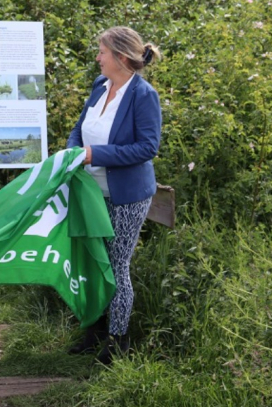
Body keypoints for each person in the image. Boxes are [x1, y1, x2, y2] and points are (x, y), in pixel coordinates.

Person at [66, 26, 162, 365]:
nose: (97, 58)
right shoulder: (100, 85)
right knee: (94, 259)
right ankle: (94, 332)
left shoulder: (142, 95)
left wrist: (95, 155)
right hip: (91, 191)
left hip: (126, 196)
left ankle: (117, 341)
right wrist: (73, 152)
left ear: (120, 57)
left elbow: (147, 148)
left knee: (116, 265)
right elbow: (79, 128)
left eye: (102, 52)